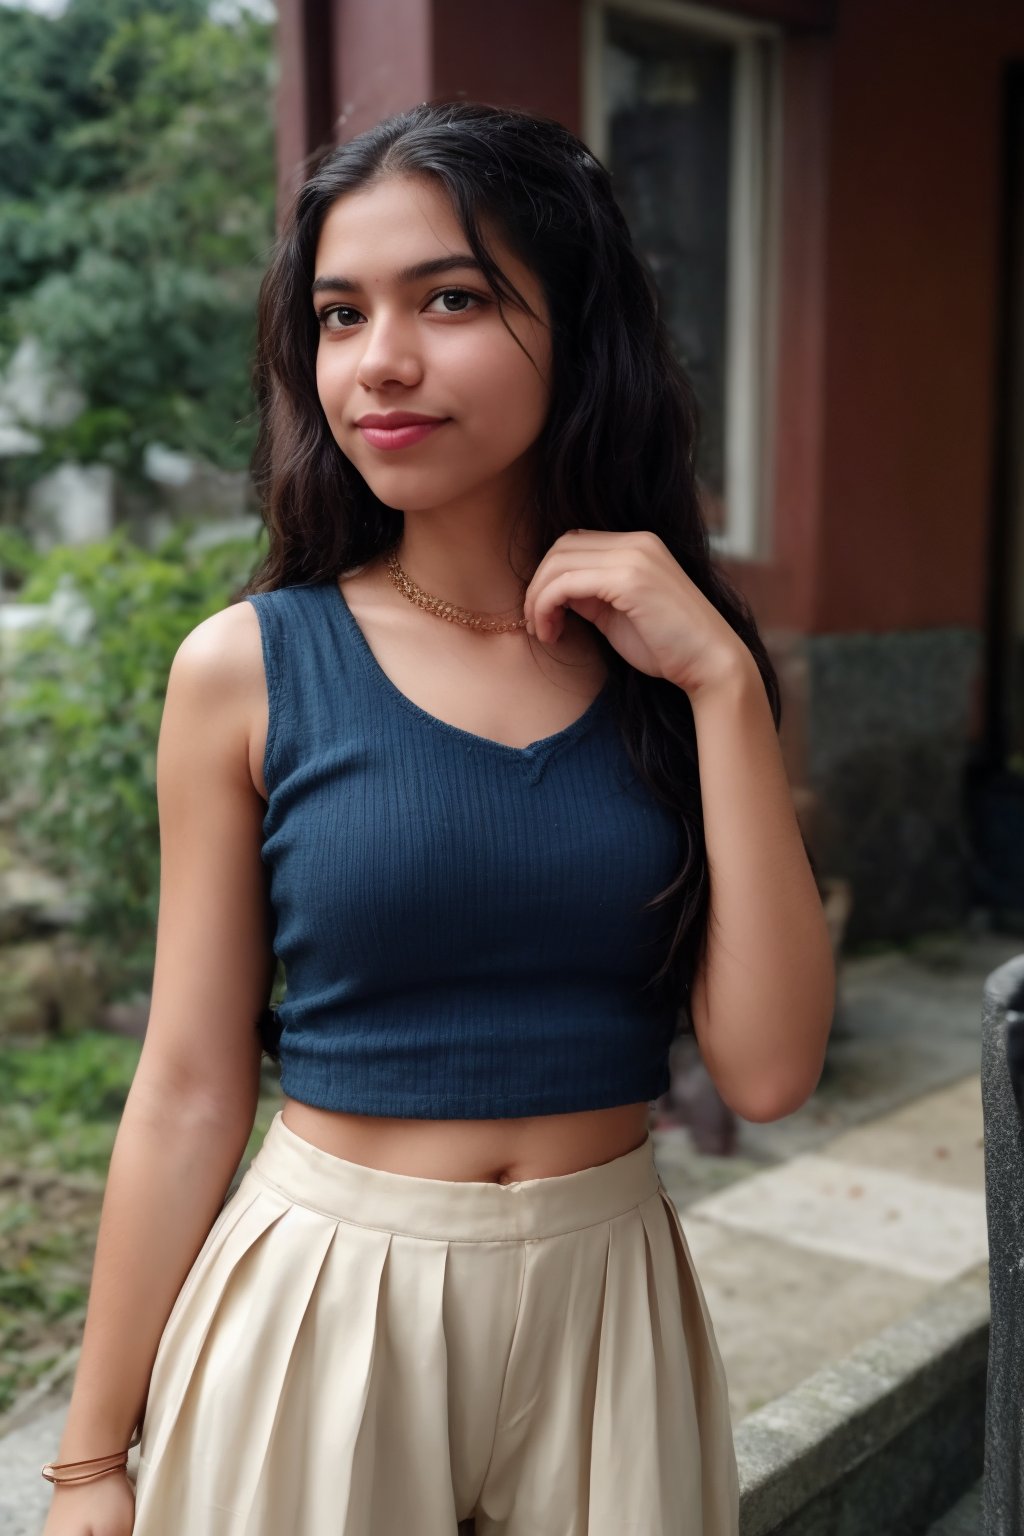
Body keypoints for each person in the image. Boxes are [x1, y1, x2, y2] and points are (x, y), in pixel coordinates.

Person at [40, 99, 836, 1536]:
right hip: (325, 1306)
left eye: (451, 298)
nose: (380, 363)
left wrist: (722, 678)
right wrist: (92, 1460)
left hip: (612, 1318)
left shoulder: (677, 669)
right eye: (341, 316)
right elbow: (187, 1085)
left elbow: (770, 1071)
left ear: (575, 327)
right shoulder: (249, 671)